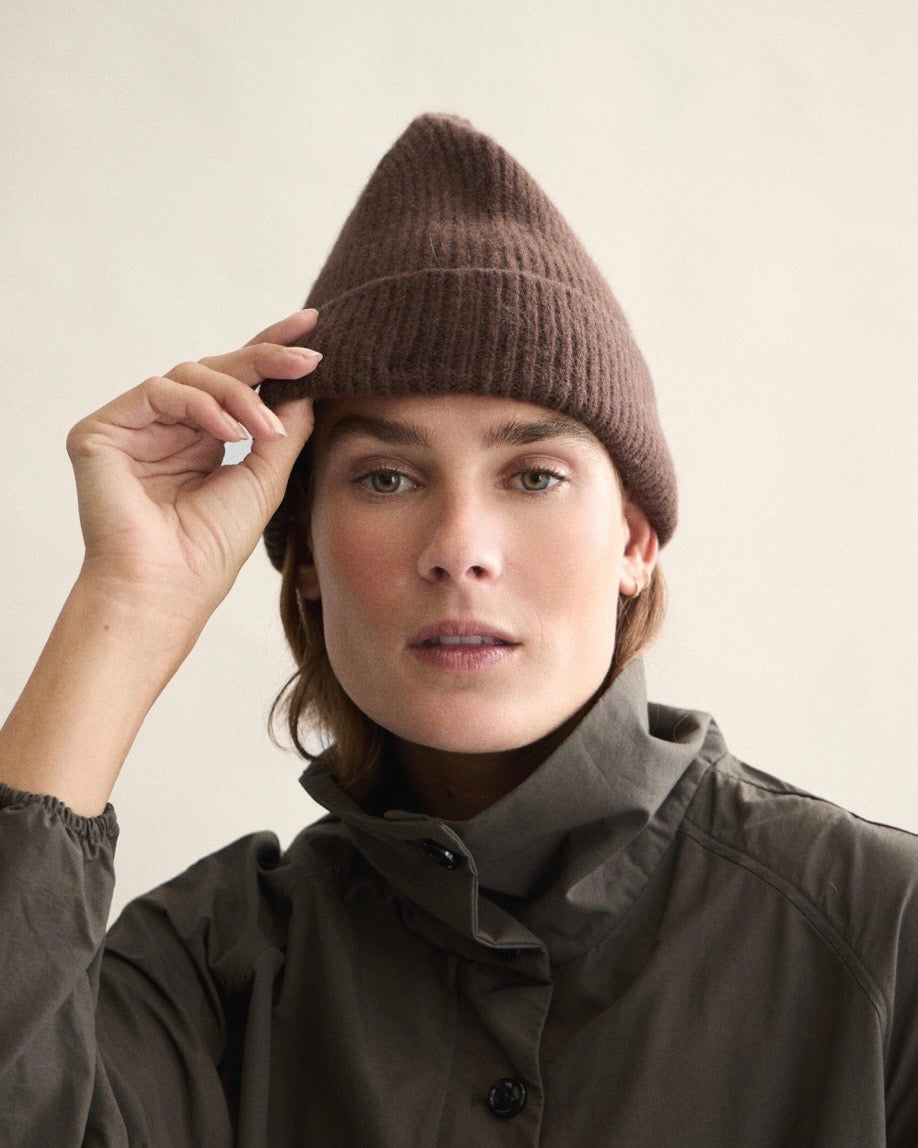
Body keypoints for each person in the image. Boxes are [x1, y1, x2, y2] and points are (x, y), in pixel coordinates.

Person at [0, 113, 915, 1147]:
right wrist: (125, 604)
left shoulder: (885, 933)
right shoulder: (208, 972)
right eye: (387, 479)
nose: (459, 548)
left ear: (635, 540)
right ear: (305, 550)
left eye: (534, 476)